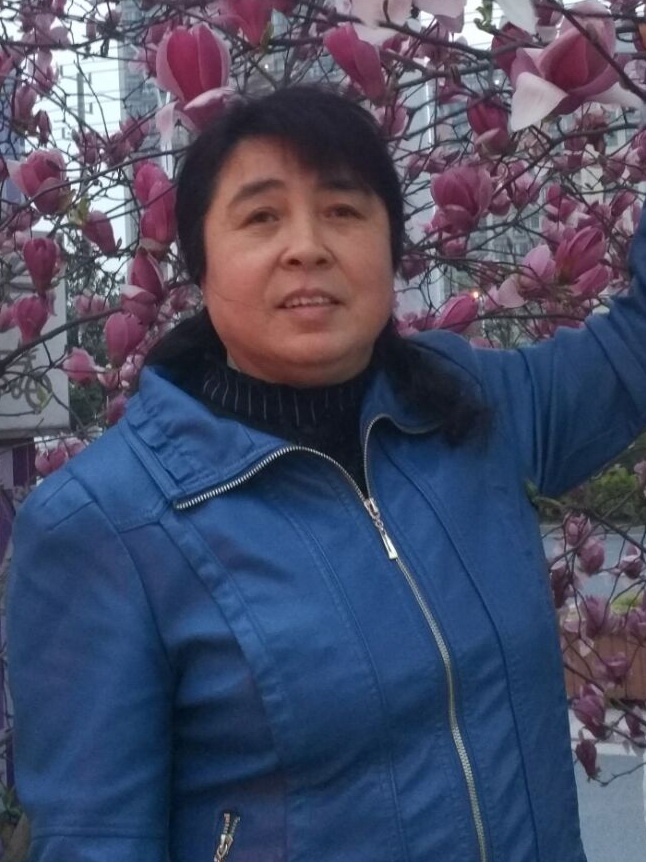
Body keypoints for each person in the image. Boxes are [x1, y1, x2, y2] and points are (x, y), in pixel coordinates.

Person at [7, 85, 646, 862]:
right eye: (261, 217)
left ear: (392, 252)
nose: (307, 247)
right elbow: (97, 843)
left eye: (344, 211)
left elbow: (633, 351)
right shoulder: (106, 525)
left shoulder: (471, 406)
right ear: (201, 266)